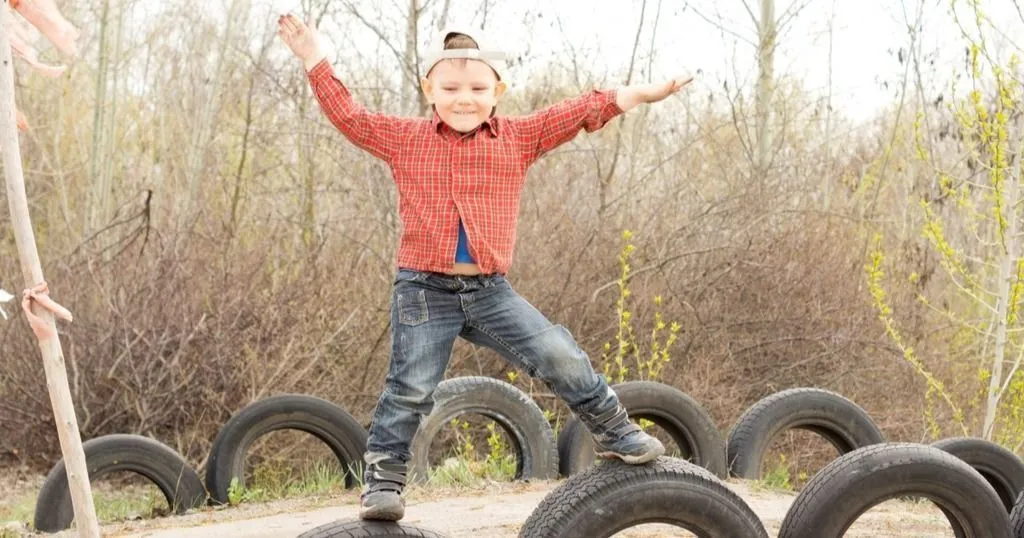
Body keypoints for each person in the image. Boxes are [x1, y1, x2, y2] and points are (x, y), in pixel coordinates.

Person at [276, 13, 692, 521]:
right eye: (450, 87)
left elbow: (581, 110)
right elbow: (349, 116)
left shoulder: (517, 138)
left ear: (498, 91)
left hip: (491, 292)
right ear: (430, 88)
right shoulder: (406, 139)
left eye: (477, 87)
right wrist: (314, 58)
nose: (464, 98)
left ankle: (614, 430)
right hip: (424, 290)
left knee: (558, 353)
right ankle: (383, 480)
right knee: (410, 387)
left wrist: (641, 94)